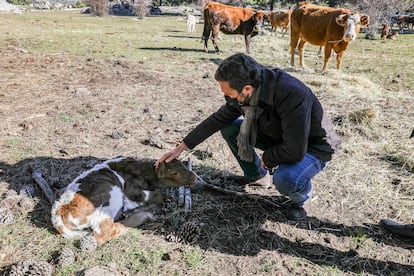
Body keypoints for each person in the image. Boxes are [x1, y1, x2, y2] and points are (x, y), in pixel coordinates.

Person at [155, 53, 341, 221]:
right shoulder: (248, 90)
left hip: (313, 146)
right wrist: (182, 147)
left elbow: (295, 150)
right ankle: (256, 176)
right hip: (280, 136)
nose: (226, 97)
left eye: (228, 93)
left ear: (247, 89)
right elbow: (219, 119)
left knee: (286, 179)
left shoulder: (292, 93)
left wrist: (268, 158)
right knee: (230, 127)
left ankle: (303, 197)